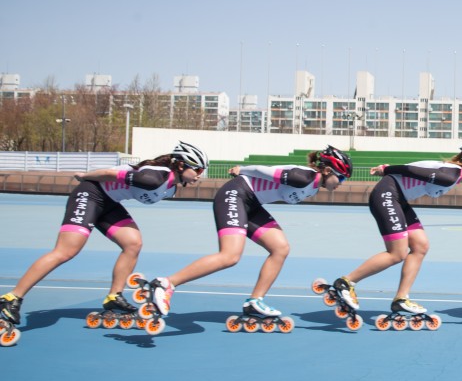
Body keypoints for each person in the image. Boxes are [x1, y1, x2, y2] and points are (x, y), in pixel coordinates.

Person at [0, 141, 208, 332]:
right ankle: (12, 297)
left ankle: (113, 297)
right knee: (66, 251)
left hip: (109, 203)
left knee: (133, 243)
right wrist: (85, 176)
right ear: (181, 165)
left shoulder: (170, 188)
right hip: (91, 193)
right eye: (198, 169)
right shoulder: (154, 177)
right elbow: (110, 173)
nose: (200, 174)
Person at [145, 146, 352, 325]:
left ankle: (255, 302)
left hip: (252, 203)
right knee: (230, 256)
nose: (341, 182)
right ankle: (166, 284)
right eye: (341, 177)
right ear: (326, 170)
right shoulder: (305, 177)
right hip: (236, 195)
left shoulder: (313, 187)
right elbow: (266, 171)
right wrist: (241, 169)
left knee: (280, 248)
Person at [330, 139, 462, 320]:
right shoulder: (452, 174)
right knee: (397, 253)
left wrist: (388, 170)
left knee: (420, 245)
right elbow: (413, 171)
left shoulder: (454, 173)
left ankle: (401, 298)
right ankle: (345, 282)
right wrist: (387, 169)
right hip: (388, 194)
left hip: (399, 198)